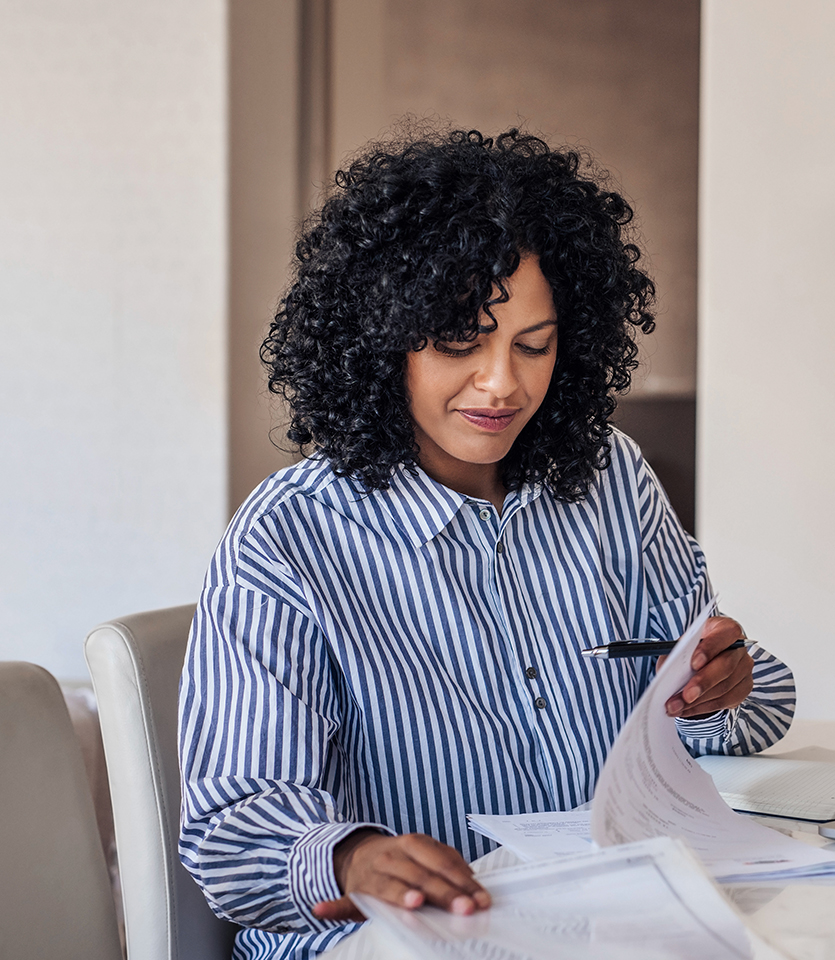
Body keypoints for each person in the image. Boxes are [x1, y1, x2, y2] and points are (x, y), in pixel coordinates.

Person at [178, 129, 796, 960]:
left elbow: (733, 715)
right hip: (396, 940)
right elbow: (232, 830)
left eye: (533, 345)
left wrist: (721, 690)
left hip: (603, 917)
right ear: (380, 343)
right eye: (460, 343)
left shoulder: (611, 477)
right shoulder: (288, 538)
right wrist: (353, 858)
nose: (503, 383)